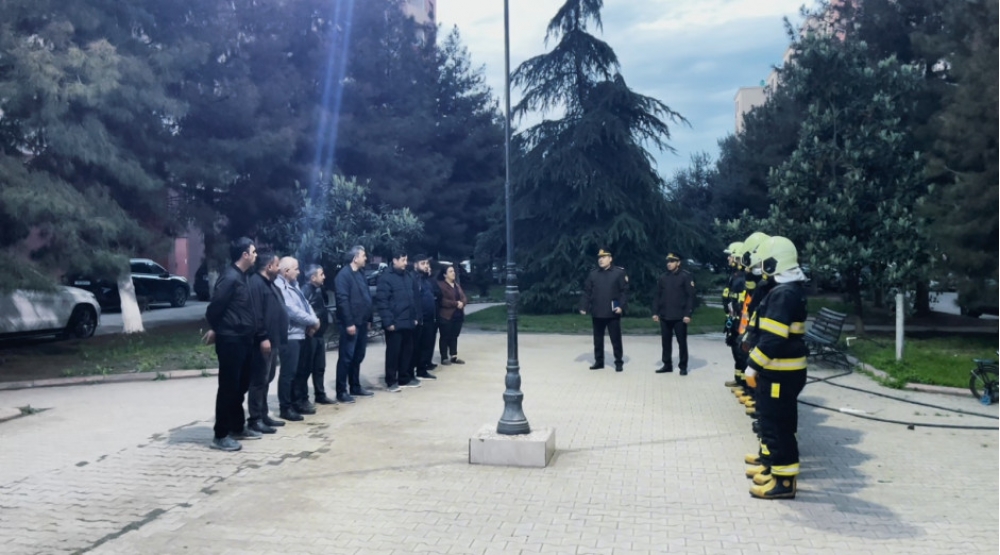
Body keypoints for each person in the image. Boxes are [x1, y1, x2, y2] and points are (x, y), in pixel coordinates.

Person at [742, 236, 809, 500]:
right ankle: (776, 472)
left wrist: (752, 365)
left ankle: (783, 482)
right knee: (774, 423)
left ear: (774, 263)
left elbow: (773, 338)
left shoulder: (783, 294)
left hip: (781, 372)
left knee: (779, 426)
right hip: (780, 371)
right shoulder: (787, 290)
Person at [203, 237, 259, 451]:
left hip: (244, 339)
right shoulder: (230, 277)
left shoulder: (243, 277)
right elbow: (214, 308)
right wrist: (218, 328)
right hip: (231, 340)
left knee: (241, 385)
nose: (256, 255)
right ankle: (221, 434)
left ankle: (237, 426)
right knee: (228, 387)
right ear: (244, 255)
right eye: (253, 252)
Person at [246, 250, 289, 435]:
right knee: (258, 380)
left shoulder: (270, 283)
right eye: (277, 265)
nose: (279, 269)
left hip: (273, 341)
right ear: (269, 266)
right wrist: (262, 337)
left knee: (267, 379)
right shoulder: (256, 283)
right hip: (262, 342)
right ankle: (255, 419)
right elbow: (257, 314)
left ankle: (263, 415)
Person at [275, 256, 320, 421]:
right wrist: (313, 321)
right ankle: (285, 407)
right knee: (288, 373)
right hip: (289, 336)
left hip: (300, 334)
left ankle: (297, 402)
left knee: (299, 371)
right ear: (286, 271)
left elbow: (306, 305)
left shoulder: (294, 284)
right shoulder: (279, 286)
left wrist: (314, 320)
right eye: (296, 269)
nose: (299, 272)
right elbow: (291, 310)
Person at [333, 246, 375, 404]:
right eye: (363, 255)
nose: (366, 258)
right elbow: (342, 301)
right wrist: (349, 323)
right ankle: (341, 391)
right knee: (346, 357)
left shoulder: (360, 274)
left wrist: (369, 319)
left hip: (362, 322)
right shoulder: (343, 276)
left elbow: (366, 296)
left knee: (358, 356)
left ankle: (355, 386)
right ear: (355, 258)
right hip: (350, 324)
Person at [376, 251, 421, 392]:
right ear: (394, 260)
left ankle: (404, 377)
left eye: (406, 260)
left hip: (408, 321)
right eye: (403, 260)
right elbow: (382, 302)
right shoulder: (386, 278)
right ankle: (391, 380)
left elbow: (413, 299)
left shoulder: (408, 276)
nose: (405, 263)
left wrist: (415, 317)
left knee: (407, 351)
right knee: (393, 353)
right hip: (394, 322)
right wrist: (388, 322)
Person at [579, 248, 629, 372]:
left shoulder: (618, 273)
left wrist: (621, 306)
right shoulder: (593, 274)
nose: (601, 260)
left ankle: (618, 362)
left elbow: (624, 292)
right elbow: (587, 292)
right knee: (598, 339)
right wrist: (584, 306)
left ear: (610, 259)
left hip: (613, 311)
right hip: (597, 311)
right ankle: (599, 361)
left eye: (604, 257)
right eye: (599, 258)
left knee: (615, 339)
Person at [651, 252, 696, 375]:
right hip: (665, 315)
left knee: (682, 342)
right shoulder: (663, 277)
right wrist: (655, 312)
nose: (669, 264)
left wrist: (688, 314)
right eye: (668, 261)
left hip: (680, 316)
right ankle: (667, 364)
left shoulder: (685, 276)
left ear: (678, 263)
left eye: (672, 261)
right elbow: (657, 296)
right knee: (665, 342)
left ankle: (683, 366)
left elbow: (690, 297)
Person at [301, 264, 335, 405]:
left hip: (320, 334)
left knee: (319, 367)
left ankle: (320, 394)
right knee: (306, 368)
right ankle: (302, 398)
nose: (324, 277)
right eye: (321, 274)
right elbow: (303, 312)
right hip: (311, 335)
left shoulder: (320, 289)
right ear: (312, 277)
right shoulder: (305, 291)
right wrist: (310, 327)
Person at [410, 254, 438, 380]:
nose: (426, 266)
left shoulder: (426, 279)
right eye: (423, 263)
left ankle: (422, 369)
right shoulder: (413, 278)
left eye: (427, 263)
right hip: (419, 318)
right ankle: (411, 371)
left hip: (429, 318)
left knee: (427, 345)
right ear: (415, 265)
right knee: (416, 346)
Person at [436, 265, 468, 366]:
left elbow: (463, 297)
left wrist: (462, 303)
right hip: (446, 315)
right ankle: (444, 357)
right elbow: (442, 301)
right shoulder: (441, 285)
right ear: (445, 274)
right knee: (445, 336)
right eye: (450, 271)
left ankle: (454, 356)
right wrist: (455, 303)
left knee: (454, 336)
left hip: (458, 315)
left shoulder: (456, 285)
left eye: (453, 271)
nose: (453, 273)